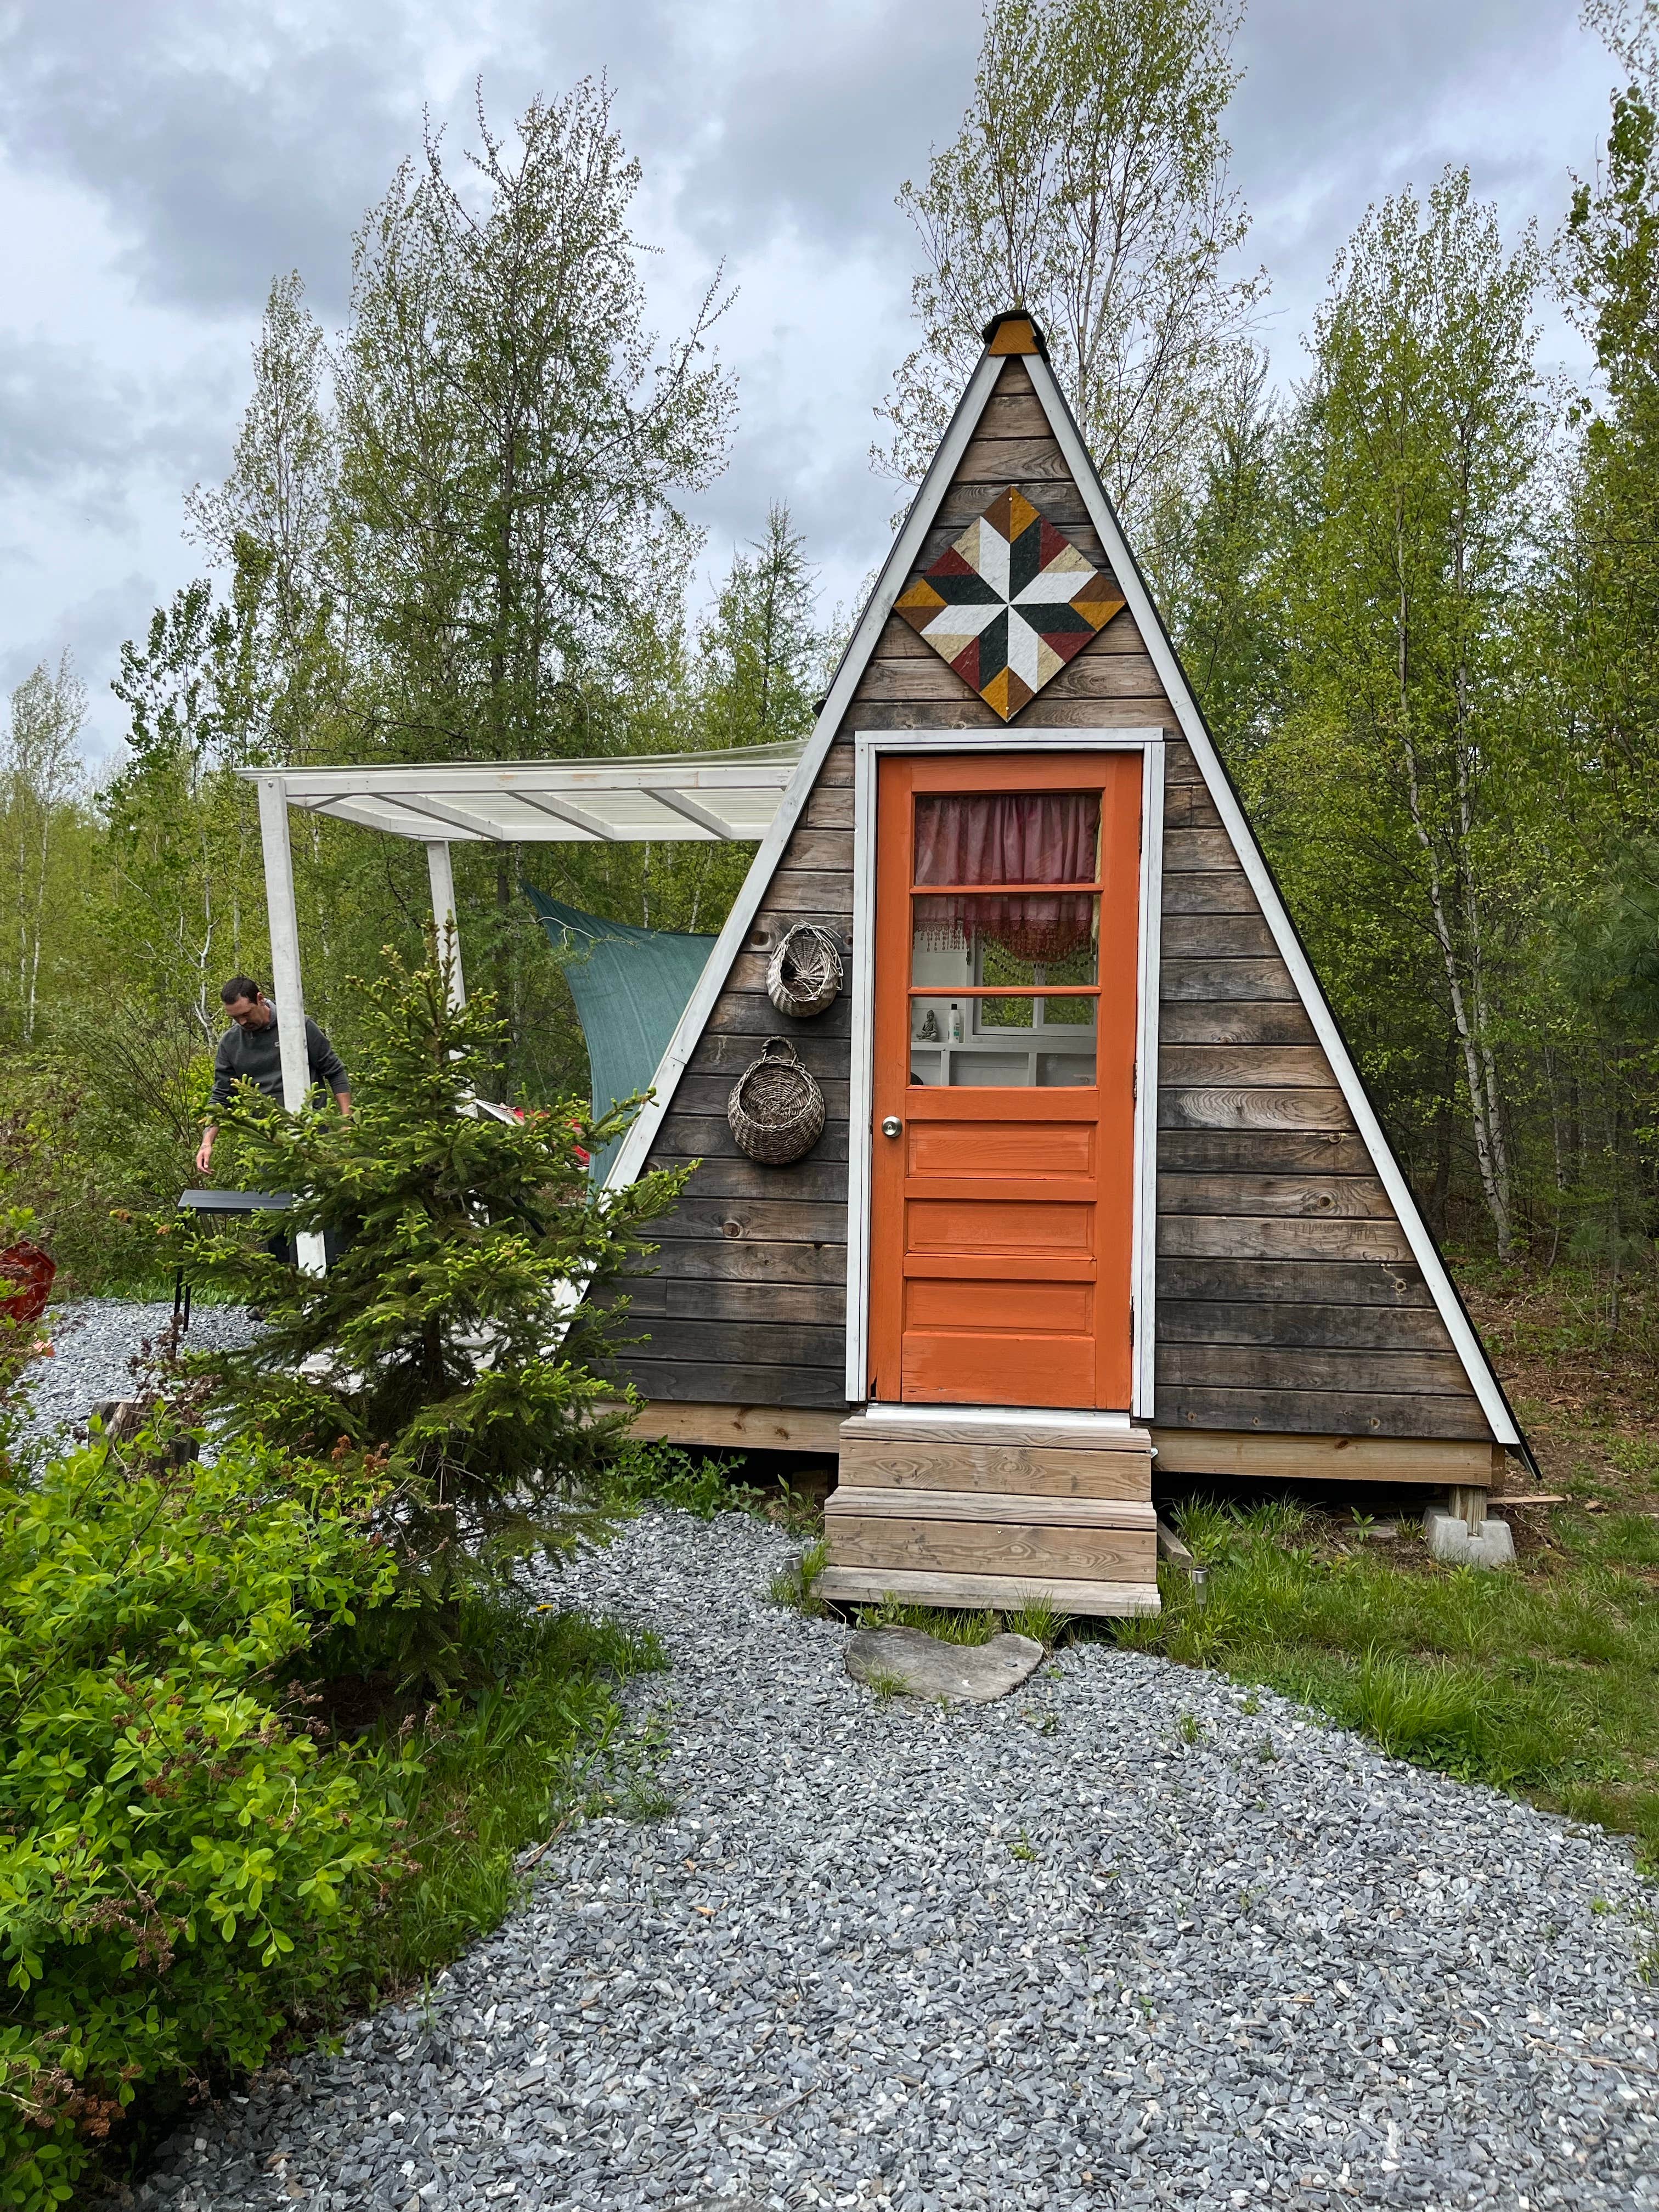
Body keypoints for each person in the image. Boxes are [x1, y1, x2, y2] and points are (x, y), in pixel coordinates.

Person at [195, 976, 352, 1175]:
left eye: (246, 1014)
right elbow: (221, 1096)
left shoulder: (299, 1027)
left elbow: (335, 1072)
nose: (242, 1022)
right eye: (235, 1018)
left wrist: (347, 1121)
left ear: (260, 999)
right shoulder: (230, 1043)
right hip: (268, 1143)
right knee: (275, 1203)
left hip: (313, 1134)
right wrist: (207, 1142)